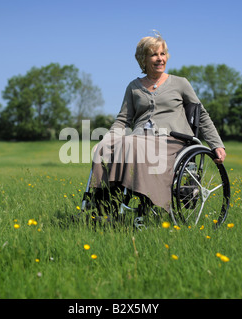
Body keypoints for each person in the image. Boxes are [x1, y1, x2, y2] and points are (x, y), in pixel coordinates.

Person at [90, 32, 226, 215]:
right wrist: (108, 138)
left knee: (130, 143)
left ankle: (135, 202)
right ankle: (103, 205)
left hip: (172, 142)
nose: (160, 59)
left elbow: (201, 116)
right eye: (154, 54)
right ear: (143, 59)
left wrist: (216, 144)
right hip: (140, 138)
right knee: (103, 148)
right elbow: (123, 119)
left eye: (162, 54)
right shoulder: (133, 87)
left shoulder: (180, 83)